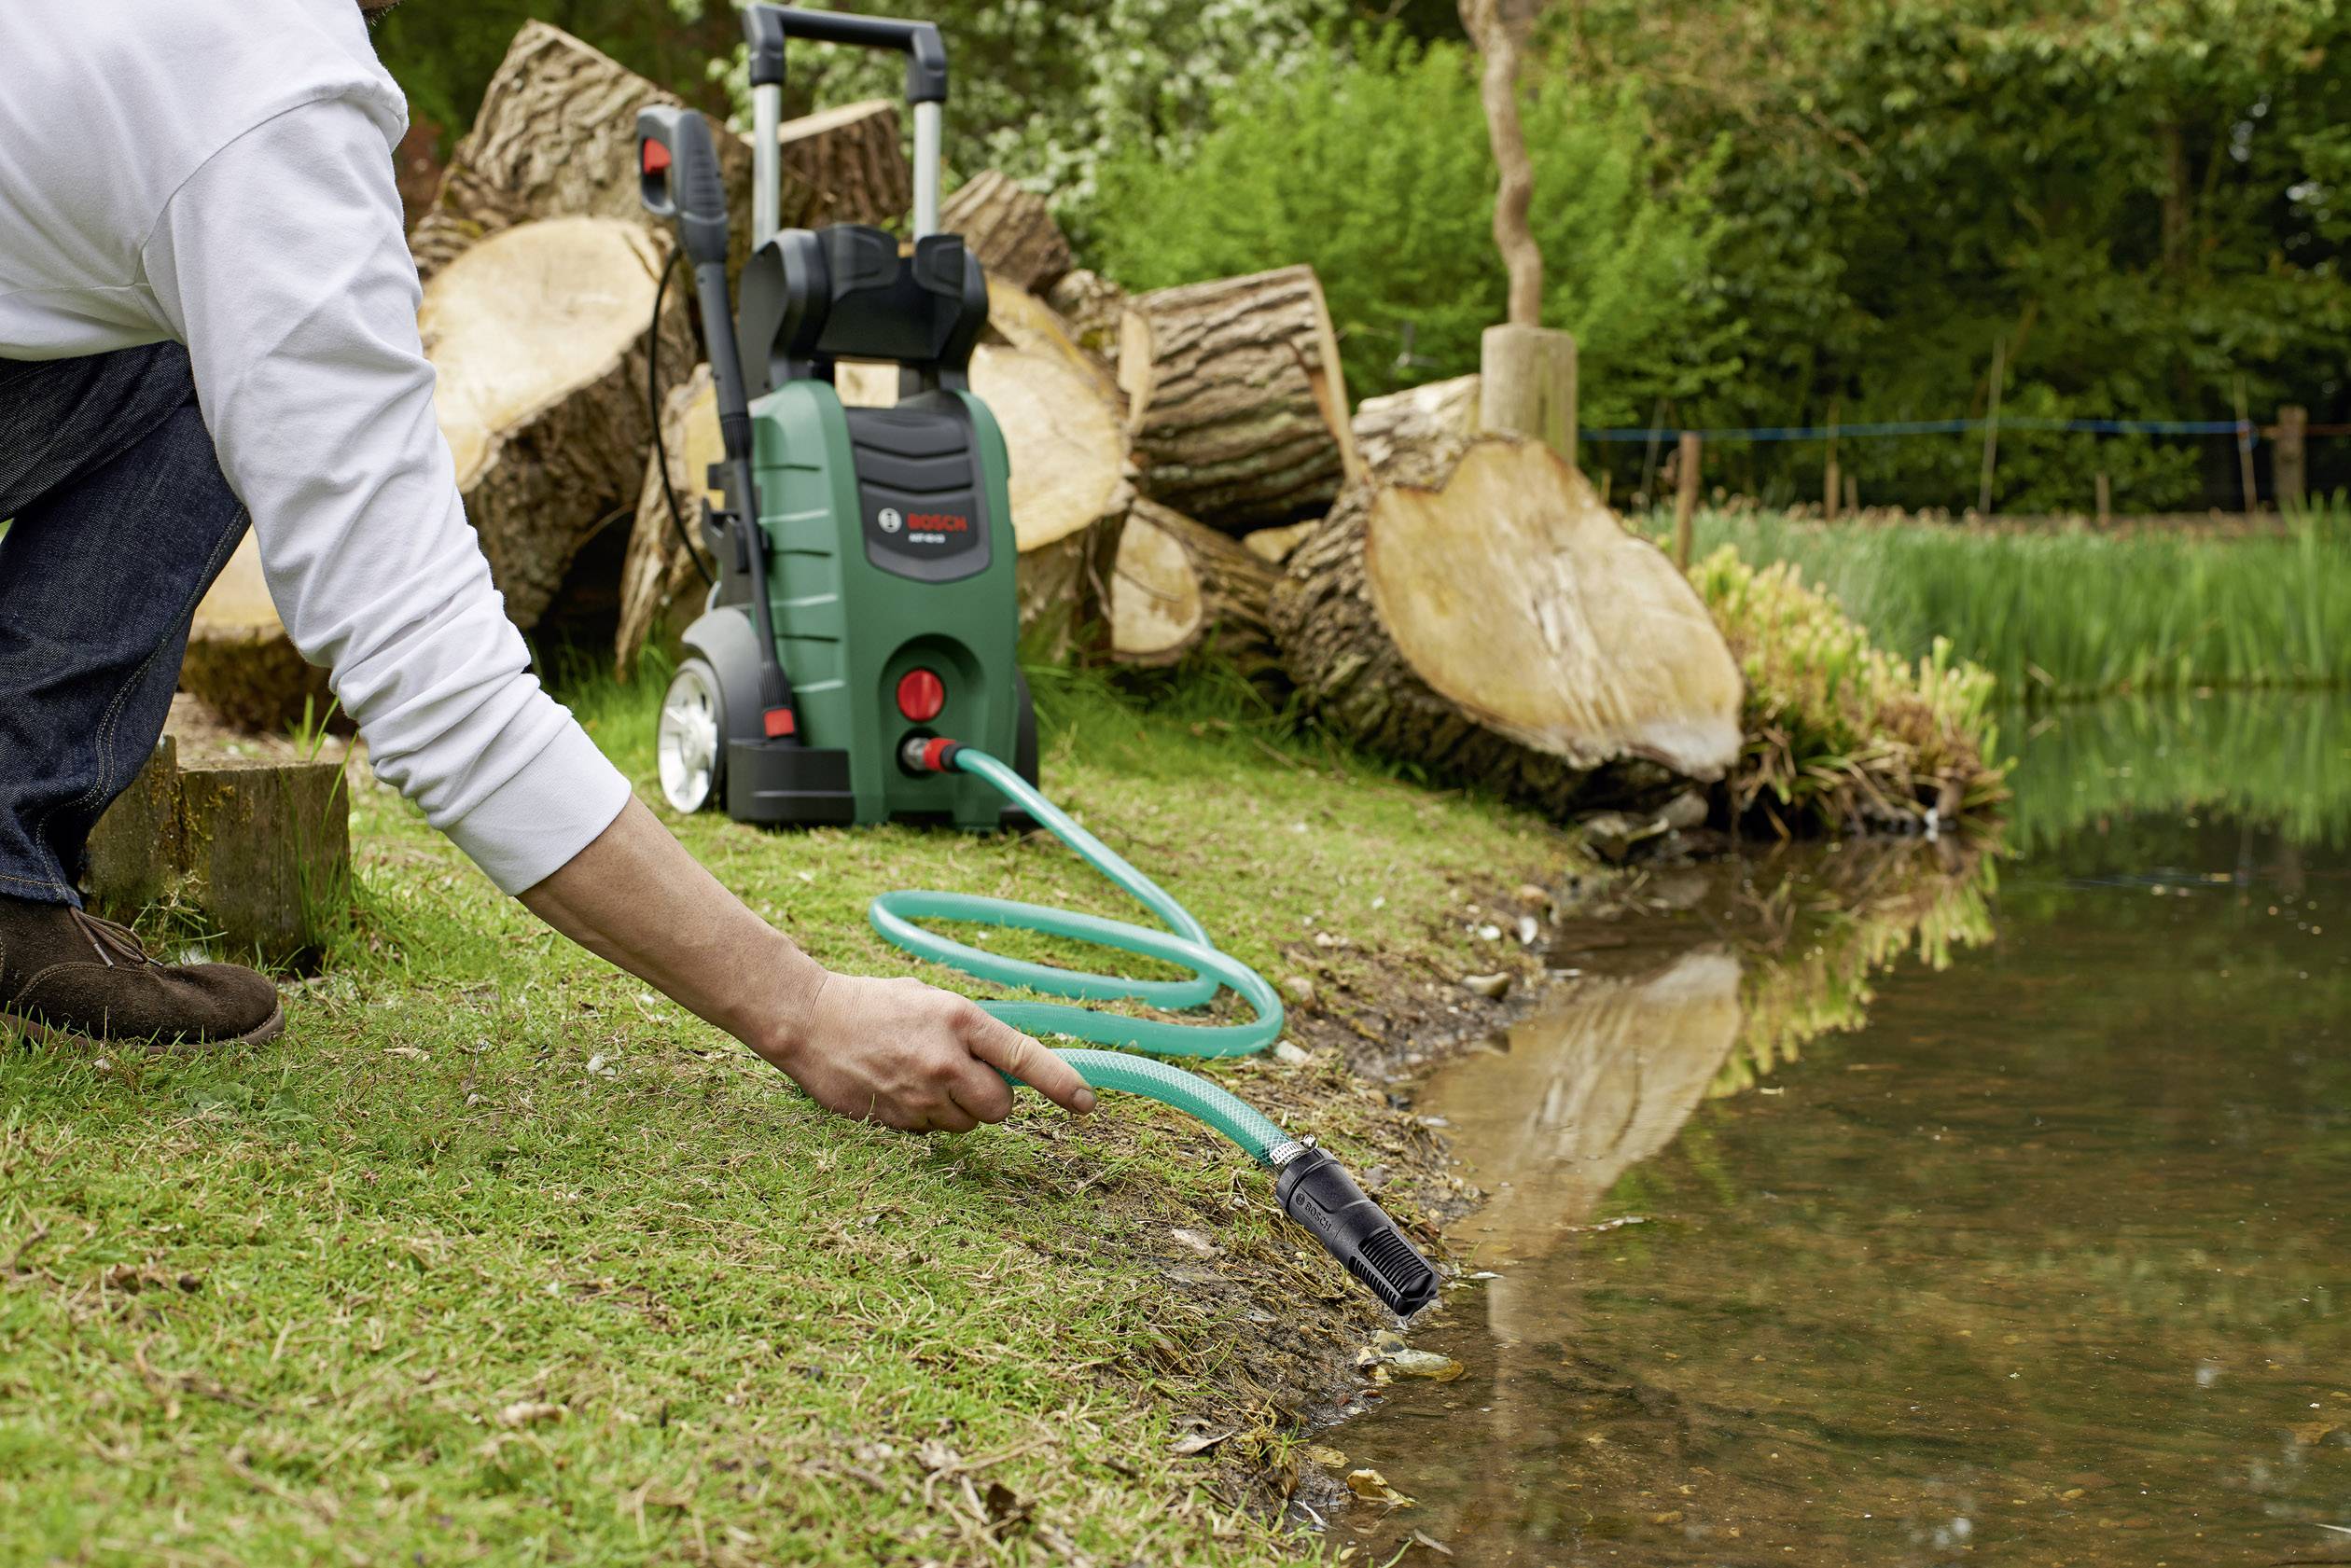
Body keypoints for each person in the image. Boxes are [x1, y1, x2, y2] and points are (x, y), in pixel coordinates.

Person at [0, 0, 1095, 1135]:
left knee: (196, 352)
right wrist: (804, 1007)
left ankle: (8, 877)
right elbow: (430, 676)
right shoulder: (273, 102)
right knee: (226, 356)